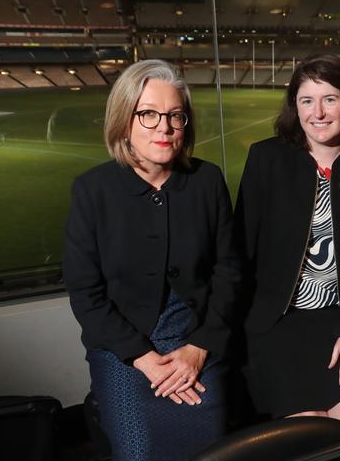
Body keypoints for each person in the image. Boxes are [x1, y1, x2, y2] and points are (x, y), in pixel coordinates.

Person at [63, 59, 240, 461]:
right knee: (138, 453)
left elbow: (229, 271)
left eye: (175, 116)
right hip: (124, 352)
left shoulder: (207, 181)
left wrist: (200, 348)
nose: (164, 127)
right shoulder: (93, 191)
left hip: (196, 345)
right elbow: (86, 295)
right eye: (148, 114)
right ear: (124, 120)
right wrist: (145, 360)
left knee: (210, 453)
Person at [235, 53, 340, 433]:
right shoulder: (265, 159)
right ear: (295, 106)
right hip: (279, 323)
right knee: (308, 429)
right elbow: (240, 252)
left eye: (330, 99)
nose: (318, 113)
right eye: (307, 100)